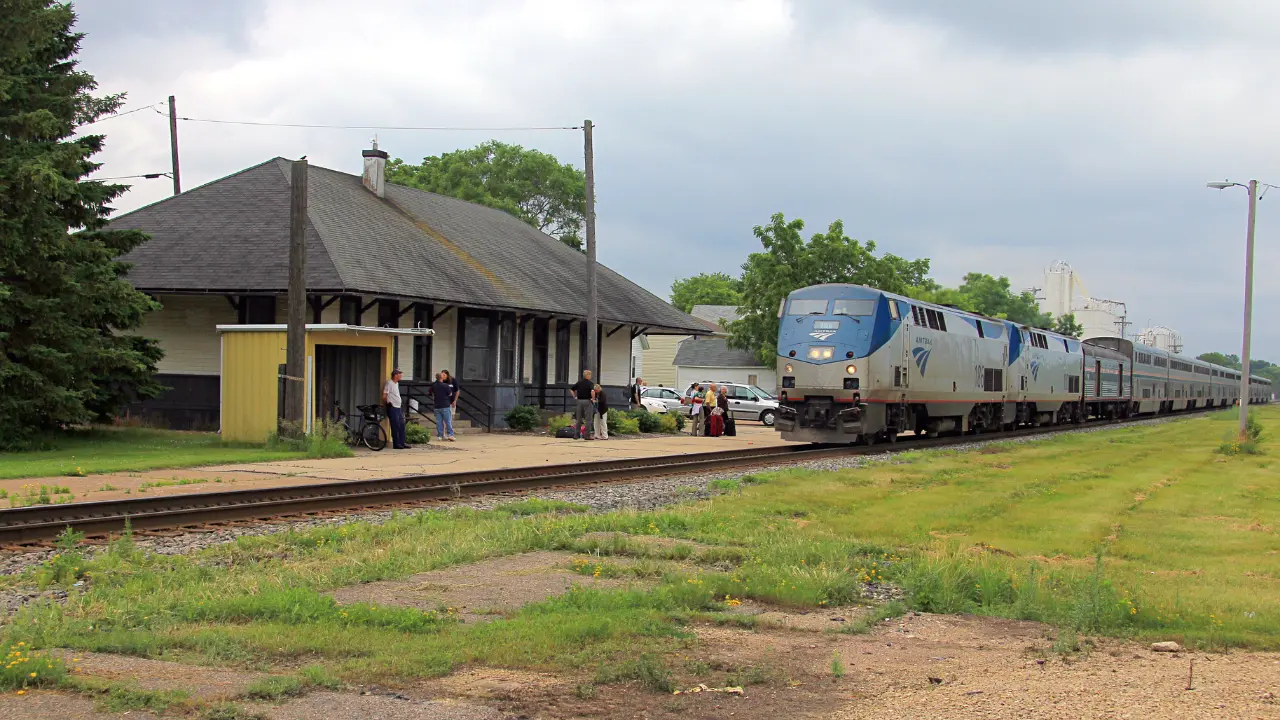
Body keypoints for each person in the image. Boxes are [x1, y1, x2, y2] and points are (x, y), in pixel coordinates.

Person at [382, 369, 409, 450]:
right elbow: (384, 395)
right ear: (395, 375)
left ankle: (402, 442)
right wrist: (388, 403)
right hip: (392, 407)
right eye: (399, 374)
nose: (401, 376)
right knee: (395, 425)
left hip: (398, 407)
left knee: (401, 425)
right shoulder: (389, 383)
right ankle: (396, 444)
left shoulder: (396, 383)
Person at [430, 372, 456, 441]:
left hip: (437, 405)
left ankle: (440, 435)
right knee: (448, 421)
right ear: (441, 378)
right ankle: (450, 434)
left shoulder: (433, 386)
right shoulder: (445, 385)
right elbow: (450, 394)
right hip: (445, 405)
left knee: (439, 422)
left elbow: (430, 392)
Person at [572, 370, 595, 439]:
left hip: (579, 401)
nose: (590, 376)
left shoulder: (579, 383)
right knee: (588, 419)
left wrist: (574, 396)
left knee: (579, 419)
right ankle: (587, 435)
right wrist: (593, 398)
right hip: (587, 401)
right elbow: (592, 391)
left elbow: (571, 389)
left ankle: (576, 435)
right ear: (588, 376)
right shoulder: (590, 383)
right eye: (590, 375)